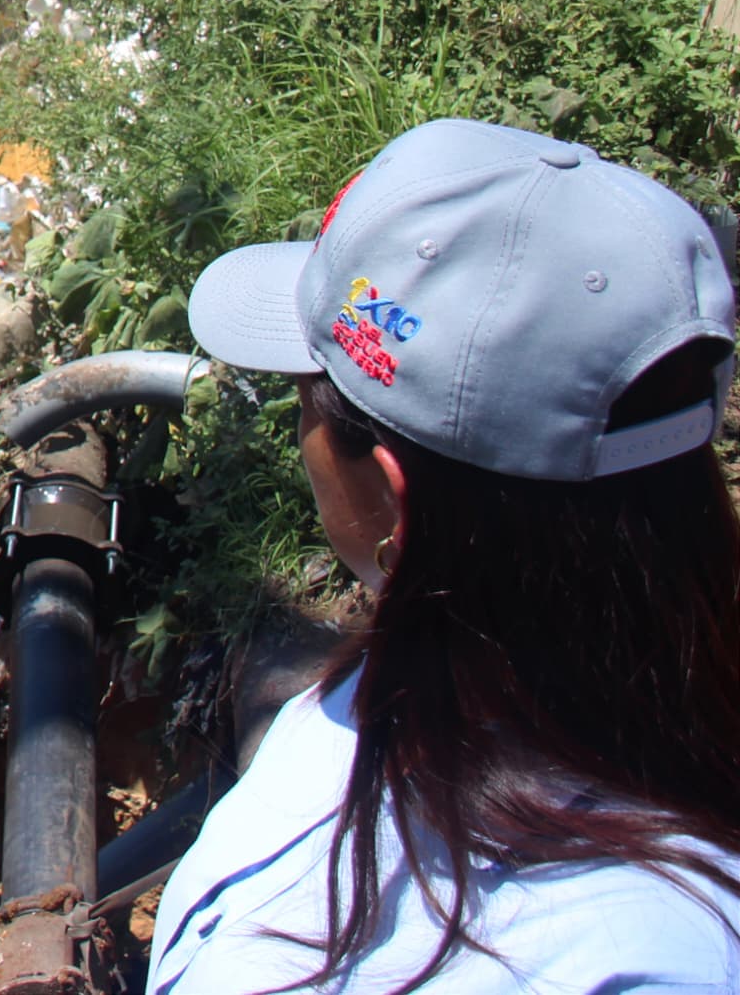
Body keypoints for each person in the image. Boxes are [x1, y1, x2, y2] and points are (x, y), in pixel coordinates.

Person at [151, 117, 740, 992]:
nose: (301, 435)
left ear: (395, 499)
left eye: (308, 400)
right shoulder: (422, 689)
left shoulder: (643, 964)